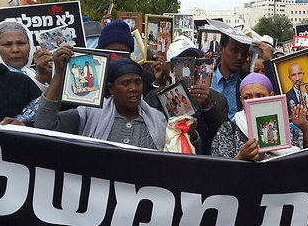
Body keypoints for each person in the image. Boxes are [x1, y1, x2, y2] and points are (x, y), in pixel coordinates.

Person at [35, 49, 199, 151]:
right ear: (111, 88)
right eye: (125, 83)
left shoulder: (160, 121)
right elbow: (44, 125)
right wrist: (58, 76)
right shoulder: (89, 115)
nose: (133, 88)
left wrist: (190, 135)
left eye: (137, 82)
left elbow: (184, 157)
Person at [145, 37, 228, 154]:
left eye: (195, 61)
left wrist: (208, 107)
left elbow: (224, 135)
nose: (191, 67)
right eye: (184, 61)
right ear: (169, 66)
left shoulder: (216, 98)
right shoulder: (156, 96)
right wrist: (160, 85)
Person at [211, 73, 304, 161]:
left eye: (260, 96)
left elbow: (299, 161)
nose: (254, 102)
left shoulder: (283, 126)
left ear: (271, 96)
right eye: (247, 98)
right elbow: (220, 168)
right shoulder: (229, 129)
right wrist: (241, 157)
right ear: (241, 100)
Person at [97, 20, 156, 96]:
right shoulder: (94, 76)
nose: (118, 57)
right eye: (114, 51)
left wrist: (159, 82)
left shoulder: (145, 78)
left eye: (123, 52)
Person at [0, 20, 52, 92]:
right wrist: (40, 78)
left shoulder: (31, 73)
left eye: (21, 43)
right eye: (7, 44)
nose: (15, 50)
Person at [211, 33, 250, 119]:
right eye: (234, 51)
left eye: (244, 53)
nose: (240, 57)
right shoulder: (206, 79)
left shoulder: (249, 82)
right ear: (221, 49)